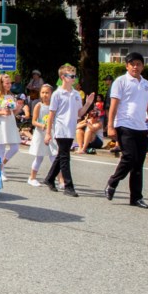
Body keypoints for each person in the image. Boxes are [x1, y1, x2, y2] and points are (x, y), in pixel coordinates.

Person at [104, 52, 148, 209]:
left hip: (141, 126)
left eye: (138, 64)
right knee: (129, 157)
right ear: (127, 66)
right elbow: (113, 105)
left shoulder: (146, 84)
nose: (135, 67)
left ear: (143, 66)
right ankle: (113, 181)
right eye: (132, 64)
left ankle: (136, 197)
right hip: (124, 124)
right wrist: (110, 125)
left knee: (138, 164)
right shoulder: (120, 81)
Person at [44, 64, 94, 198]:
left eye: (74, 76)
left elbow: (79, 113)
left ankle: (49, 178)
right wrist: (48, 133)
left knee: (61, 155)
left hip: (71, 128)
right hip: (61, 128)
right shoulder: (57, 94)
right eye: (71, 76)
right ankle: (68, 186)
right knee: (65, 157)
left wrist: (88, 103)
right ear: (63, 77)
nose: (74, 78)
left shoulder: (76, 94)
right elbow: (51, 115)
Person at [0, 73, 20, 181]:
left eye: (10, 83)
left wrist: (18, 108)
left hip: (10, 122)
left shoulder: (11, 96)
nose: (9, 85)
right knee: (1, 148)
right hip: (1, 123)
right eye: (7, 83)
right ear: (1, 83)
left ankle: (0, 165)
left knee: (15, 147)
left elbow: (13, 112)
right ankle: (1, 172)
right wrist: (2, 112)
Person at [27, 84, 57, 187]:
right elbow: (34, 121)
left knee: (54, 156)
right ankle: (32, 177)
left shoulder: (54, 106)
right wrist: (42, 125)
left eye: (47, 93)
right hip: (40, 133)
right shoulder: (38, 105)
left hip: (51, 132)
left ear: (51, 94)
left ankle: (61, 180)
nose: (45, 95)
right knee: (39, 157)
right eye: (43, 92)